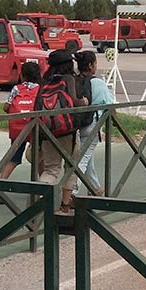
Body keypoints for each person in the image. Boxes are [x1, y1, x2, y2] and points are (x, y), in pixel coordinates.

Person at [39, 49, 89, 215]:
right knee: (72, 166)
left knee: (50, 169)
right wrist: (85, 101)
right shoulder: (69, 79)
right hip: (67, 131)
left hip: (47, 131)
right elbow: (75, 101)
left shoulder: (44, 81)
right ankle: (65, 206)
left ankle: (40, 201)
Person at [72, 51, 114, 198]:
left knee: (87, 158)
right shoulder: (98, 83)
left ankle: (95, 189)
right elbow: (110, 104)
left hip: (76, 125)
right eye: (95, 63)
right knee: (83, 160)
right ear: (90, 65)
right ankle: (71, 191)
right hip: (93, 125)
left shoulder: (73, 81)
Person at [0, 62, 42, 194]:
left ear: (22, 75)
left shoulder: (17, 88)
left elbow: (6, 107)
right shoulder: (41, 89)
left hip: (18, 129)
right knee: (39, 158)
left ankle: (1, 184)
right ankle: (43, 185)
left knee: (13, 158)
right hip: (35, 128)